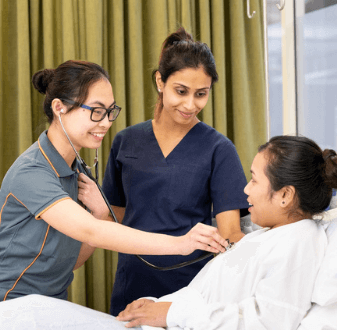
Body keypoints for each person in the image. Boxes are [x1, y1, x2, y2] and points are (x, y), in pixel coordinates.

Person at [0, 60, 228, 302]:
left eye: (110, 112)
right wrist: (182, 244)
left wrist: (99, 213)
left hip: (52, 301)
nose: (106, 122)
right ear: (59, 108)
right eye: (96, 111)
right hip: (12, 303)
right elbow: (91, 232)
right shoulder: (32, 172)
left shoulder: (77, 173)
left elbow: (70, 263)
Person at [80, 27, 249, 315]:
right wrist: (100, 206)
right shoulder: (126, 141)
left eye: (201, 94)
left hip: (190, 291)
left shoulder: (219, 149)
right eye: (181, 91)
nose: (190, 104)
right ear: (160, 81)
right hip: (132, 283)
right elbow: (121, 217)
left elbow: (230, 233)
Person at [116, 135, 337, 330]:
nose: (246, 189)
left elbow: (268, 323)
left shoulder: (300, 242)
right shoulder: (266, 236)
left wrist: (172, 313)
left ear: (285, 195)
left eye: (254, 180)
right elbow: (204, 292)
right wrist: (158, 304)